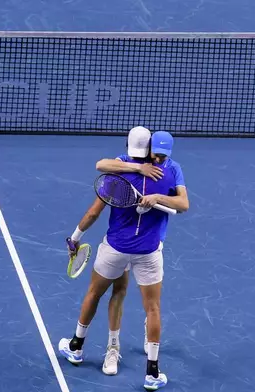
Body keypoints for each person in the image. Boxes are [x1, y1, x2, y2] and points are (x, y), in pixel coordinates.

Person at [58, 130, 189, 390]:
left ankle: (76, 346)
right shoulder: (170, 173)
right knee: (152, 309)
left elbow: (93, 212)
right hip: (149, 252)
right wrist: (159, 195)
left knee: (95, 293)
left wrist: (75, 238)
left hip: (115, 249)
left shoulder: (116, 173)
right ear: (150, 148)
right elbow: (183, 204)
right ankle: (152, 373)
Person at [95, 130, 188, 356]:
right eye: (155, 155)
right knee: (120, 290)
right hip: (123, 242)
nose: (158, 160)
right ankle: (113, 345)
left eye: (163, 157)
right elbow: (101, 165)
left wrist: (158, 198)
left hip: (152, 242)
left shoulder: (173, 168)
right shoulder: (131, 160)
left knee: (152, 302)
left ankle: (150, 333)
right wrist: (138, 168)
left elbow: (183, 204)